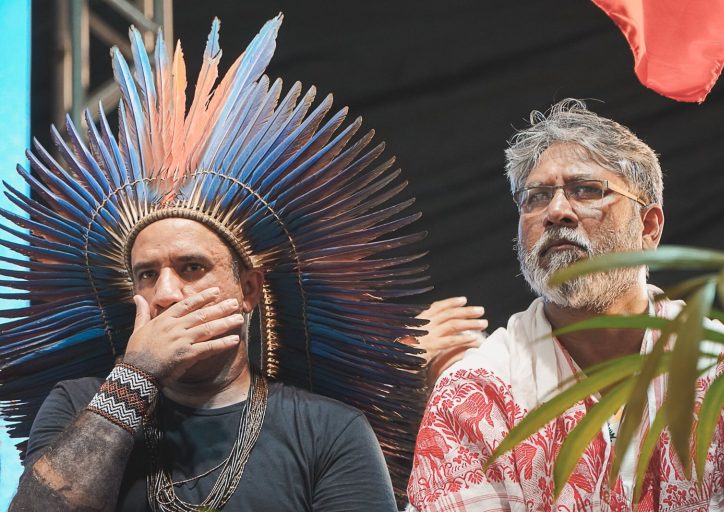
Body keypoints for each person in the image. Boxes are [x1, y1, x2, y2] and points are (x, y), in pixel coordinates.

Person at [1, 16, 430, 511]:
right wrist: (134, 378)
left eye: (191, 268)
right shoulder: (78, 404)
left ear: (248, 288)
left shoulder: (328, 432)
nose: (164, 293)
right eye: (146, 274)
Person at [407, 99, 724, 510]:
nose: (557, 211)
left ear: (648, 228)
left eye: (586, 190)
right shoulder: (478, 393)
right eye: (537, 197)